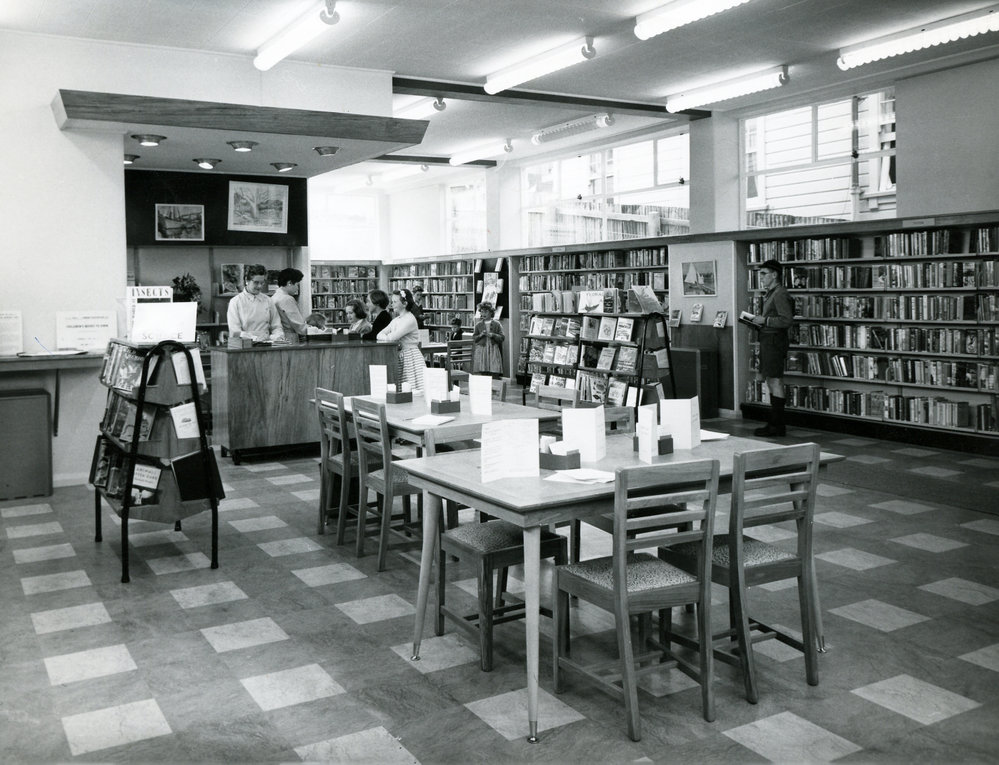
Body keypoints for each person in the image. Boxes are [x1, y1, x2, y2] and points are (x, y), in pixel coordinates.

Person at [748, 259, 794, 436]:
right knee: (771, 380)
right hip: (769, 339)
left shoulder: (780, 293)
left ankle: (777, 425)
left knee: (775, 381)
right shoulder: (771, 293)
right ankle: (775, 423)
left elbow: (786, 320)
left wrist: (764, 320)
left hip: (775, 341)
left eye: (764, 274)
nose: (761, 278)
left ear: (774, 275)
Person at [377, 288, 427, 392]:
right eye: (392, 302)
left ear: (404, 303)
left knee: (413, 389)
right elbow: (379, 334)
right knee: (402, 389)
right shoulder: (396, 320)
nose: (392, 304)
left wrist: (388, 338)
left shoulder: (409, 319)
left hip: (411, 358)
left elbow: (392, 338)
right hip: (401, 357)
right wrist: (388, 338)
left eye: (395, 302)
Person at [226, 264, 284, 343]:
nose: (259, 286)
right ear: (247, 280)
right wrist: (254, 338)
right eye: (256, 282)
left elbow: (277, 326)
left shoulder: (268, 301)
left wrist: (276, 337)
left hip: (267, 345)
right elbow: (235, 331)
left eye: (262, 283)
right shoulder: (236, 302)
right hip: (245, 346)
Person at [272, 268, 308, 340]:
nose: (297, 288)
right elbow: (298, 325)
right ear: (289, 283)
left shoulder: (274, 297)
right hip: (290, 337)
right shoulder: (287, 299)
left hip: (279, 337)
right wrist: (317, 331)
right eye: (297, 285)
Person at [472, 301, 504, 377]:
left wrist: (493, 335)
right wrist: (480, 335)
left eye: (486, 312)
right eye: (482, 312)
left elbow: (502, 337)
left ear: (491, 312)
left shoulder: (497, 324)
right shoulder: (478, 325)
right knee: (483, 371)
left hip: (493, 350)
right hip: (482, 350)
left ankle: (495, 385)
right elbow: (474, 338)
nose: (484, 314)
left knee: (494, 370)